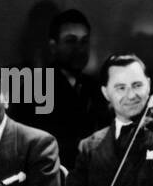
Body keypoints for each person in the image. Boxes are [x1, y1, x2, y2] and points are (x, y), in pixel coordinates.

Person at [66, 54, 153, 186]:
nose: (131, 95)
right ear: (105, 93)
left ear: (149, 85)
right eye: (121, 88)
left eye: (137, 85)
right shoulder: (88, 147)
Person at [35, 9, 109, 169]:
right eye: (70, 41)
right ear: (53, 46)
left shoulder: (96, 87)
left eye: (84, 41)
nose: (79, 49)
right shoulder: (36, 86)